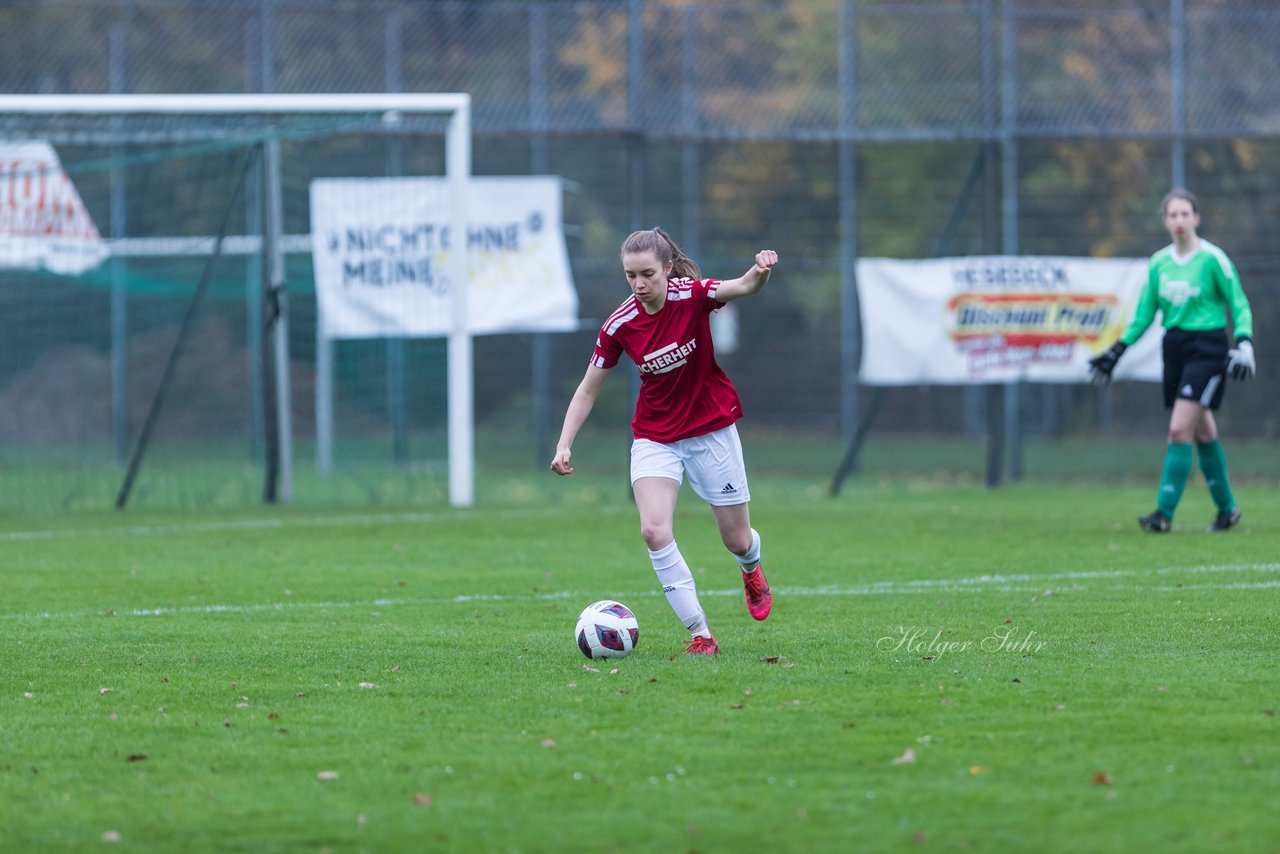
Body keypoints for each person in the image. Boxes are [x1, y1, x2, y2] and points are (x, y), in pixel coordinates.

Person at [551, 228, 777, 655]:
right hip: (656, 436)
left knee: (737, 539)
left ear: (667, 268)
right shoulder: (619, 324)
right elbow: (587, 389)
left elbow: (745, 285)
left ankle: (751, 568)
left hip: (711, 429)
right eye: (630, 276)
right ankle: (701, 634)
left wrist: (760, 269)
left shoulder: (691, 296)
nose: (638, 284)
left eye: (647, 274)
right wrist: (565, 444)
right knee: (654, 530)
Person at [1089, 189, 1255, 533]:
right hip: (1175, 347)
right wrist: (1117, 350)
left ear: (1196, 218)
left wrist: (1244, 341)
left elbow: (1237, 301)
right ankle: (1228, 511)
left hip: (1208, 348)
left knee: (1179, 429)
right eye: (1173, 215)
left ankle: (1163, 515)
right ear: (1164, 220)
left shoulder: (1212, 259)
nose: (1179, 220)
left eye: (1185, 214)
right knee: (1203, 430)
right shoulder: (1159, 263)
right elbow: (1144, 314)